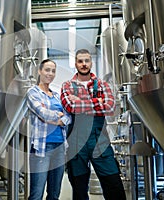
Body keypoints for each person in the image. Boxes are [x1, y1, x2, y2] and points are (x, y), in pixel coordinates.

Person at [61, 49, 126, 200]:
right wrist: (97, 102)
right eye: (80, 61)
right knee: (79, 187)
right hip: (76, 143)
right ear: (75, 64)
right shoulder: (67, 85)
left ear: (91, 62)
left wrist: (80, 102)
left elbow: (110, 108)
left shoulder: (103, 85)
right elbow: (70, 107)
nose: (84, 64)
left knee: (113, 183)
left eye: (87, 61)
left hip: (99, 141)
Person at [26, 59, 71, 200]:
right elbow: (42, 113)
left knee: (54, 194)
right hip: (41, 148)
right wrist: (58, 115)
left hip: (60, 148)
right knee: (36, 193)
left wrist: (56, 118)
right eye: (47, 70)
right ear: (39, 71)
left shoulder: (57, 96)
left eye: (53, 71)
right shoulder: (33, 92)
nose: (50, 74)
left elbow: (68, 117)